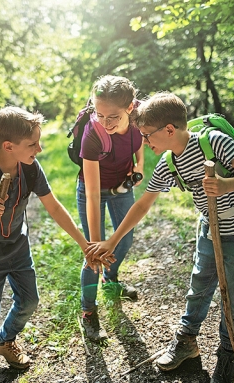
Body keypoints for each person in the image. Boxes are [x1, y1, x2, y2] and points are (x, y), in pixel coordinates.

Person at [86, 92, 234, 382]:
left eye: (147, 136)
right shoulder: (169, 163)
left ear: (169, 130)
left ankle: (227, 354)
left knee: (232, 295)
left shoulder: (214, 143)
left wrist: (225, 185)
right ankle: (187, 341)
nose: (144, 143)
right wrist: (112, 240)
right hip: (211, 228)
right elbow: (143, 203)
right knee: (200, 285)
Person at [0, 106, 112, 383]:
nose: (39, 148)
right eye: (33, 143)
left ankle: (5, 340)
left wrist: (84, 244)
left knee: (29, 300)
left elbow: (54, 207)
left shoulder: (31, 167)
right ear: (8, 146)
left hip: (17, 247)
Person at [76, 75, 145, 342]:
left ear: (130, 108)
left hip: (122, 188)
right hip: (91, 191)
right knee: (93, 255)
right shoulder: (92, 134)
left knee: (124, 240)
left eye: (113, 116)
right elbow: (93, 194)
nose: (105, 123)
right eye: (99, 114)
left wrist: (139, 166)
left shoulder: (141, 116)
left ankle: (111, 280)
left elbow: (140, 142)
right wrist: (96, 244)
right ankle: (88, 313)